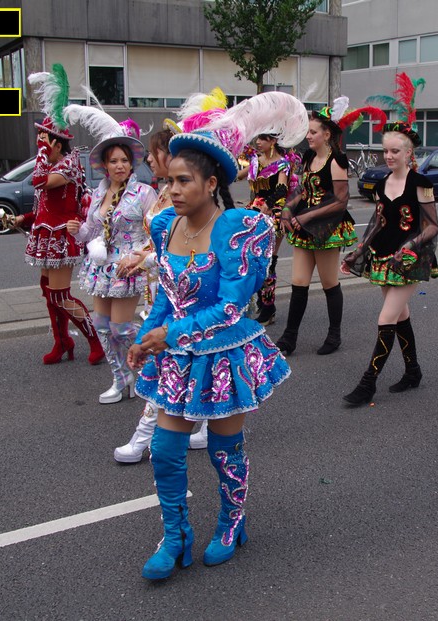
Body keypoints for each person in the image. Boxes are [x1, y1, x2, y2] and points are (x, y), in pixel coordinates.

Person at [128, 92, 306, 581]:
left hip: (225, 355)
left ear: (211, 183)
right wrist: (145, 337)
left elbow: (230, 308)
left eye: (184, 181)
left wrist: (169, 334)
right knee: (165, 451)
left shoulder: (237, 228)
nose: (173, 190)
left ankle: (231, 522)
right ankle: (176, 537)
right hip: (177, 355)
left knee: (225, 452)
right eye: (169, 180)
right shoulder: (166, 227)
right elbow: (166, 298)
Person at [341, 115, 438, 406]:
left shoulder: (421, 183)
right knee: (400, 315)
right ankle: (413, 371)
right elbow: (377, 223)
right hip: (382, 257)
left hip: (409, 260)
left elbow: (432, 226)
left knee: (386, 318)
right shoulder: (382, 183)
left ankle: (368, 383)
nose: (389, 156)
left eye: (395, 151)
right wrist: (358, 252)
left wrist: (410, 245)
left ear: (409, 152)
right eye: (385, 151)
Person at [9, 65, 104, 365]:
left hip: (63, 237)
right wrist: (23, 219)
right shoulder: (52, 166)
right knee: (49, 292)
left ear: (56, 143)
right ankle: (62, 342)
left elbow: (39, 182)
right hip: (45, 236)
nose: (40, 144)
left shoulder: (68, 165)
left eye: (44, 140)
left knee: (61, 295)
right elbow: (43, 207)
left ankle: (95, 340)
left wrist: (41, 153)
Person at [63, 112, 156, 405]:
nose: (119, 166)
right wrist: (78, 231)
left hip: (128, 267)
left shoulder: (144, 193)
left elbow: (157, 233)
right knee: (102, 326)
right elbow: (92, 232)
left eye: (124, 160)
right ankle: (121, 378)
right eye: (114, 161)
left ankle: (161, 346)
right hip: (101, 268)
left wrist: (138, 257)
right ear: (104, 164)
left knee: (121, 328)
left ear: (132, 163)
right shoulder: (98, 194)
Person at [112, 128, 180, 462]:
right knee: (178, 362)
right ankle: (203, 425)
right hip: (156, 291)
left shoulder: (181, 196)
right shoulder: (164, 191)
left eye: (155, 152)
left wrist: (144, 260)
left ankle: (143, 437)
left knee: (162, 362)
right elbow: (157, 244)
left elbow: (179, 252)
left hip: (176, 293)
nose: (150, 159)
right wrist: (139, 255)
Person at [275, 100, 359, 356]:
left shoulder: (337, 161)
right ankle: (289, 338)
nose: (308, 136)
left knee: (329, 283)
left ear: (327, 134)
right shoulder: (309, 157)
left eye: (313, 132)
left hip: (327, 227)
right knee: (298, 283)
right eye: (307, 132)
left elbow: (341, 201)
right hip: (305, 225)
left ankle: (334, 335)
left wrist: (307, 216)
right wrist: (288, 208)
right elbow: (303, 190)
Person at [244, 133, 301, 327]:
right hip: (254, 212)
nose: (258, 142)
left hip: (274, 213)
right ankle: (261, 302)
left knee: (269, 261)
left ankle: (269, 308)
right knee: (253, 260)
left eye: (263, 139)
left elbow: (281, 189)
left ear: (273, 141)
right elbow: (240, 176)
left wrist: (267, 205)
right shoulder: (255, 160)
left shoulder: (282, 164)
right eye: (257, 138)